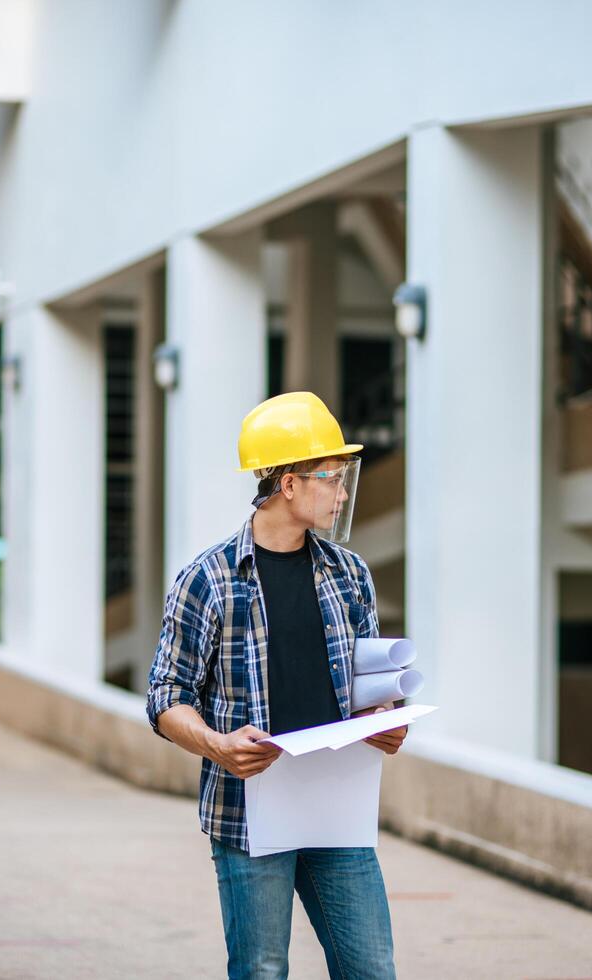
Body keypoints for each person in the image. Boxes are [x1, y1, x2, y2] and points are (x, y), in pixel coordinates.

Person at [147, 390, 407, 980]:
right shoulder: (207, 581)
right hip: (249, 812)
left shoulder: (350, 573)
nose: (343, 492)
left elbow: (373, 684)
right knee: (262, 970)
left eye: (344, 478)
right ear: (288, 484)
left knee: (371, 969)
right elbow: (166, 696)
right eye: (331, 477)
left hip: (338, 807)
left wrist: (388, 717)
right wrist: (217, 745)